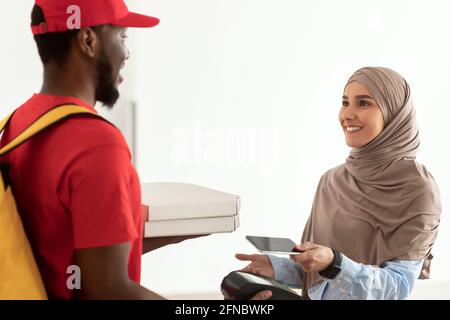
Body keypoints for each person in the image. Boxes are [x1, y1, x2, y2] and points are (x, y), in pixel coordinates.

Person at [0, 0, 202, 300]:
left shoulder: (17, 124)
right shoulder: (97, 143)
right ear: (88, 40)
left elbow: (51, 244)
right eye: (121, 37)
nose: (126, 53)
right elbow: (110, 291)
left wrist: (177, 230)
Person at [235, 67, 441, 300]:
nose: (347, 114)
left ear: (394, 113)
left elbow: (397, 287)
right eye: (345, 102)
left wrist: (335, 263)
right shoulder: (331, 181)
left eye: (363, 103)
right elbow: (319, 274)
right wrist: (278, 268)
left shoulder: (417, 190)